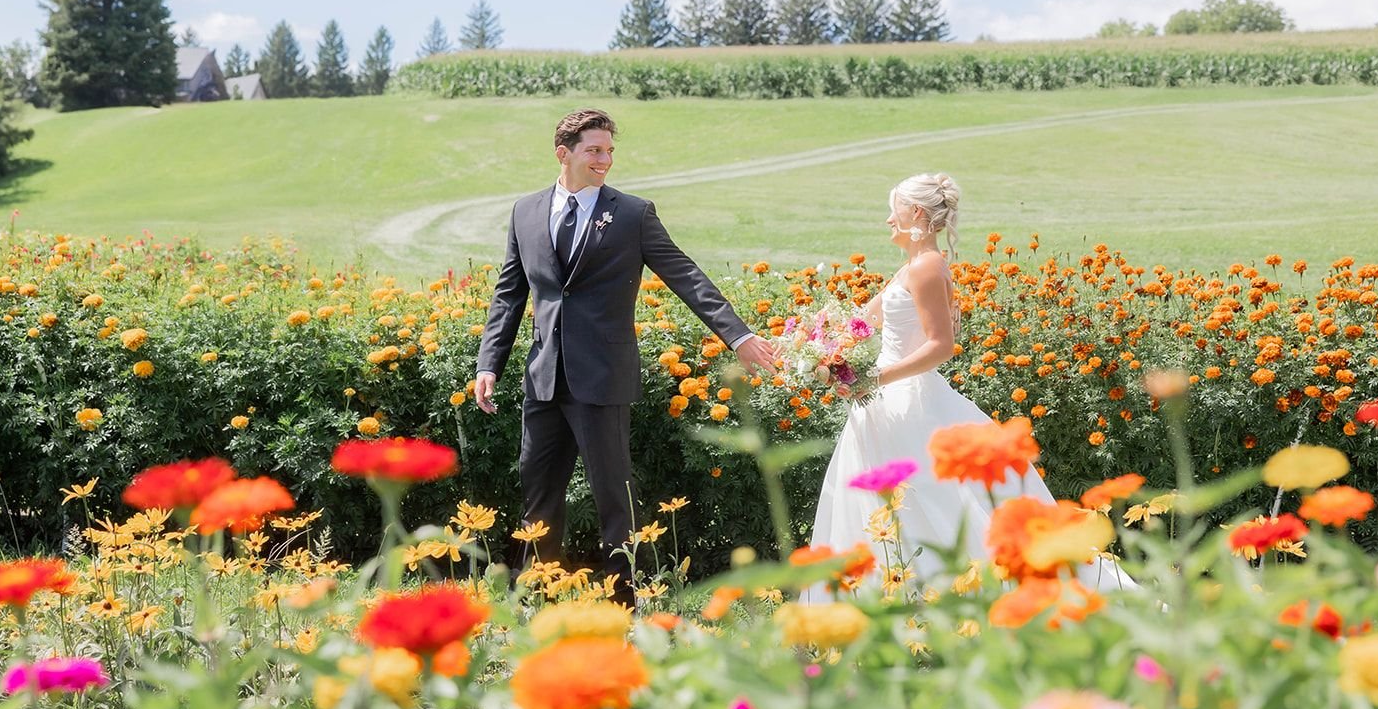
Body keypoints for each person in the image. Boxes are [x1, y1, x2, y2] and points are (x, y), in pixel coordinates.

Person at [475, 108, 774, 602]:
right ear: (563, 153)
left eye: (609, 151)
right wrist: (489, 364)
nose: (604, 160)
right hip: (544, 378)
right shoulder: (525, 211)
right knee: (538, 499)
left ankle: (624, 604)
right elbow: (510, 293)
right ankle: (537, 601)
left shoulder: (633, 214)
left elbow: (685, 275)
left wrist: (738, 336)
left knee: (616, 498)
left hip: (603, 378)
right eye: (594, 150)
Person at [808, 172, 1131, 591]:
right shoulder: (914, 266)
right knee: (900, 506)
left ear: (916, 213)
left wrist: (875, 377)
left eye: (894, 209)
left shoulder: (926, 268)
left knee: (933, 501)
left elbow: (941, 346)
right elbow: (863, 323)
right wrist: (816, 346)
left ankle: (950, 592)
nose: (889, 219)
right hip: (884, 402)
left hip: (905, 402)